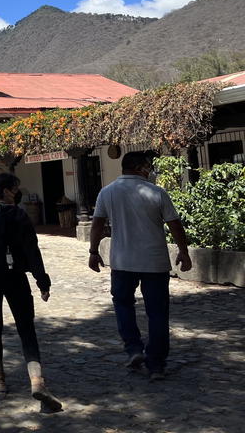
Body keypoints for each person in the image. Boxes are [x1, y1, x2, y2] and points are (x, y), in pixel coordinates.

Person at [88, 151, 192, 381]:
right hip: (153, 261)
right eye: (147, 165)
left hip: (123, 261)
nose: (150, 169)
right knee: (157, 312)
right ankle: (156, 364)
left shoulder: (108, 192)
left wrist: (93, 252)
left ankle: (134, 349)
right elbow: (175, 225)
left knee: (123, 305)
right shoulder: (156, 192)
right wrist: (183, 252)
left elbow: (97, 225)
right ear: (137, 167)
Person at [0, 172, 62, 412]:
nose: (18, 191)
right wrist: (42, 281)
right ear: (7, 191)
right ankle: (36, 380)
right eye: (15, 188)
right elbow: (32, 250)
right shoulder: (18, 215)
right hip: (14, 277)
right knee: (26, 328)